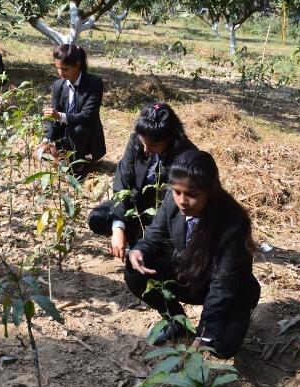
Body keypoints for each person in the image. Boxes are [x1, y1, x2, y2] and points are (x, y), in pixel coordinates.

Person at [124, 149, 260, 358]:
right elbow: (153, 235)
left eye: (192, 195)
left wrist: (205, 332)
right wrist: (139, 250)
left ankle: (225, 324)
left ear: (211, 190)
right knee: (135, 269)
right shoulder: (173, 199)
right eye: (177, 192)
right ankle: (176, 321)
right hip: (189, 274)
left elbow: (223, 283)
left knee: (220, 347)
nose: (182, 201)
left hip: (228, 289)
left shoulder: (233, 222)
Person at [88, 103, 195, 257]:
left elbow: (175, 205)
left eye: (153, 145)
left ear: (170, 138)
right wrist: (118, 227)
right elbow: (122, 181)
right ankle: (131, 236)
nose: (146, 149)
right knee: (98, 219)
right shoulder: (136, 142)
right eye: (143, 142)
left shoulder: (186, 157)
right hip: (135, 202)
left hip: (163, 211)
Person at [40, 43, 105, 173]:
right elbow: (54, 117)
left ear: (77, 65)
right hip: (65, 133)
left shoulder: (94, 83)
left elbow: (88, 115)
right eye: (57, 68)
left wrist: (60, 116)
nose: (60, 73)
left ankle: (78, 164)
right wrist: (47, 139)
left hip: (85, 133)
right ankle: (64, 157)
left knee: (78, 129)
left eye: (64, 69)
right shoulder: (58, 85)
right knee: (47, 146)